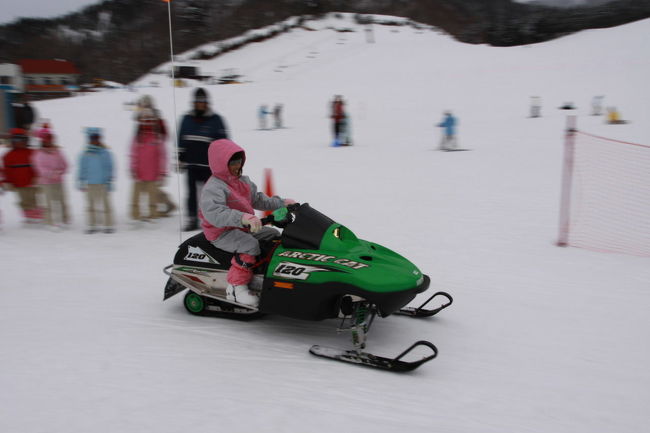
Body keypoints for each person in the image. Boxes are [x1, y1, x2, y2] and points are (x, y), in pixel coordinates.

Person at [199, 138, 296, 307]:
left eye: (239, 161)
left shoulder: (243, 181)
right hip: (221, 232)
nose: (237, 166)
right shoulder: (214, 188)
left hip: (243, 226)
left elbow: (259, 200)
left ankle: (262, 273)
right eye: (232, 162)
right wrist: (243, 218)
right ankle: (236, 288)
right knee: (250, 245)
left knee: (273, 235)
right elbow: (215, 214)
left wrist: (281, 203)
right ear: (220, 164)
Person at [177, 87, 229, 231]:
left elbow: (224, 143)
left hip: (209, 166)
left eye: (203, 101)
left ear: (207, 102)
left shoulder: (216, 120)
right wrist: (180, 156)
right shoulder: (186, 119)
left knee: (211, 194)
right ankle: (192, 218)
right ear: (194, 102)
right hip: (192, 164)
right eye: (198, 101)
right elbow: (181, 139)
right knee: (191, 194)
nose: (200, 104)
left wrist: (224, 161)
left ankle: (212, 219)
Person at [135, 95, 176, 217]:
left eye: (145, 105)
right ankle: (166, 202)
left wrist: (156, 140)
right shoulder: (142, 117)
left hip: (155, 155)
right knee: (148, 187)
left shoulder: (157, 118)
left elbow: (164, 136)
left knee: (151, 187)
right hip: (145, 157)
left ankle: (166, 202)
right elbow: (138, 134)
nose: (143, 107)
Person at [130, 105, 169, 222]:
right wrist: (133, 168)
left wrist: (162, 172)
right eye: (144, 120)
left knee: (153, 196)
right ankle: (135, 214)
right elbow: (133, 154)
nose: (147, 122)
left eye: (149, 120)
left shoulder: (157, 138)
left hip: (153, 174)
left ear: (153, 121)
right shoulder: (137, 138)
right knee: (136, 196)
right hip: (139, 174)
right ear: (140, 121)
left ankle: (153, 213)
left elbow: (162, 156)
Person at [1, 128, 43, 224]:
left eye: (21, 140)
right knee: (24, 199)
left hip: (32, 181)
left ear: (26, 140)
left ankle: (37, 213)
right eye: (16, 140)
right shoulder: (8, 156)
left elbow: (39, 166)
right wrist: (7, 182)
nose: (19, 143)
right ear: (12, 141)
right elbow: (7, 171)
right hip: (18, 183)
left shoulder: (32, 153)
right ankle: (28, 214)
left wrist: (38, 176)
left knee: (34, 198)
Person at [78, 128, 115, 234]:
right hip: (90, 184)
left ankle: (108, 225)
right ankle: (91, 225)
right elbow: (82, 168)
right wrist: (81, 180)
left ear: (100, 138)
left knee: (106, 205)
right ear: (88, 139)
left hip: (103, 184)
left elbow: (110, 167)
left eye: (97, 137)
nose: (95, 140)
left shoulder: (105, 153)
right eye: (92, 138)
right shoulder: (85, 154)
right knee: (90, 206)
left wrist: (110, 180)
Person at [33, 131, 70, 230]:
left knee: (61, 201)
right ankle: (49, 222)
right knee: (48, 202)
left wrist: (61, 171)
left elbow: (65, 164)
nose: (49, 142)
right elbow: (40, 168)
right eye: (47, 140)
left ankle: (64, 220)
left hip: (58, 181)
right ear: (43, 141)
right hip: (46, 183)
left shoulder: (57, 152)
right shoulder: (39, 154)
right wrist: (50, 174)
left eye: (50, 139)